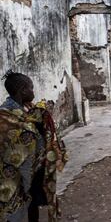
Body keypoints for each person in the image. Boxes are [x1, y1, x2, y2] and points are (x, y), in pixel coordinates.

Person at [0, 70, 67, 222]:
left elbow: (37, 134)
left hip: (32, 169)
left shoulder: (29, 109)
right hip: (12, 172)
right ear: (22, 90)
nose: (33, 91)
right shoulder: (5, 116)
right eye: (31, 88)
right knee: (14, 207)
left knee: (32, 203)